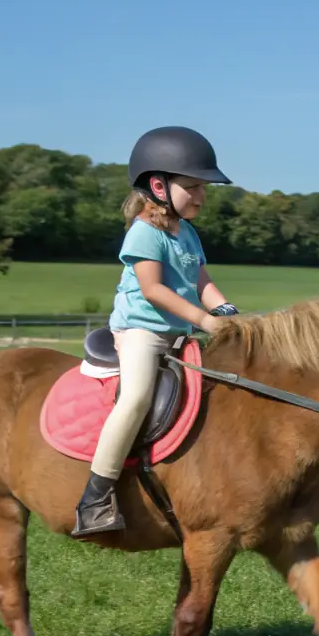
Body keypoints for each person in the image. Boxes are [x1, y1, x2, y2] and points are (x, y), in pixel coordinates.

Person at [73, 126, 239, 538]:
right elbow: (154, 289)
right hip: (141, 332)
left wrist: (226, 311)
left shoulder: (187, 233)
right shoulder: (144, 233)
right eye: (194, 187)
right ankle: (95, 496)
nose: (201, 196)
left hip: (179, 331)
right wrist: (204, 320)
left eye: (204, 188)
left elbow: (202, 282)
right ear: (158, 186)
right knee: (135, 399)